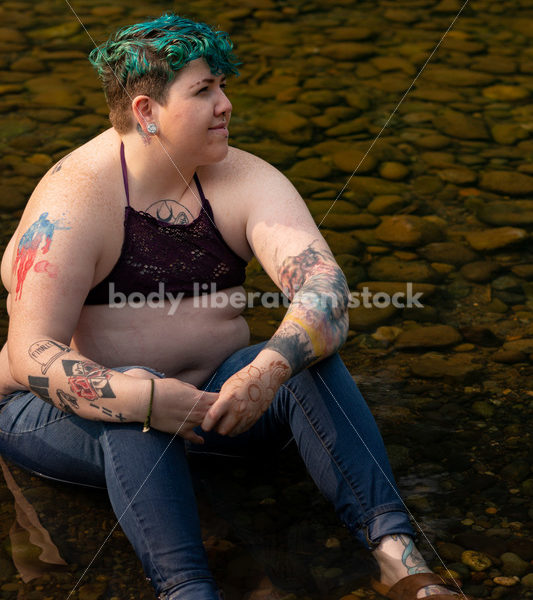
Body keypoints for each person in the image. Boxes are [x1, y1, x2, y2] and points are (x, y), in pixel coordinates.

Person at [0, 14, 468, 600]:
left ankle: (402, 564)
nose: (225, 105)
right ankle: (188, 590)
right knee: (132, 404)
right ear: (146, 112)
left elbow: (325, 292)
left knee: (307, 360)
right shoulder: (75, 199)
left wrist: (267, 368)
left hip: (216, 406)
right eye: (203, 91)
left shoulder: (239, 177)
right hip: (58, 418)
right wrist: (145, 398)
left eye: (222, 85)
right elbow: (30, 354)